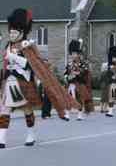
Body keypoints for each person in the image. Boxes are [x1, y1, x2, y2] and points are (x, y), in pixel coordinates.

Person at [0, 8, 75, 148]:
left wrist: (14, 57)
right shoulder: (8, 46)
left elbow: (31, 64)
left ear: (22, 32)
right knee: (4, 110)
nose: (11, 34)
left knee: (27, 110)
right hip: (9, 83)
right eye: (10, 32)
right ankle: (1, 139)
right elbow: (5, 65)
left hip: (23, 82)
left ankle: (31, 134)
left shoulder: (28, 47)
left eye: (14, 32)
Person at [64, 39, 94, 121]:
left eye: (75, 54)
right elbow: (65, 73)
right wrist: (68, 77)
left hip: (79, 84)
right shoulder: (69, 64)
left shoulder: (83, 64)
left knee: (79, 99)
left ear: (78, 54)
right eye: (72, 53)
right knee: (68, 100)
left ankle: (79, 114)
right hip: (70, 85)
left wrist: (79, 73)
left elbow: (85, 74)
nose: (73, 55)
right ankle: (67, 114)